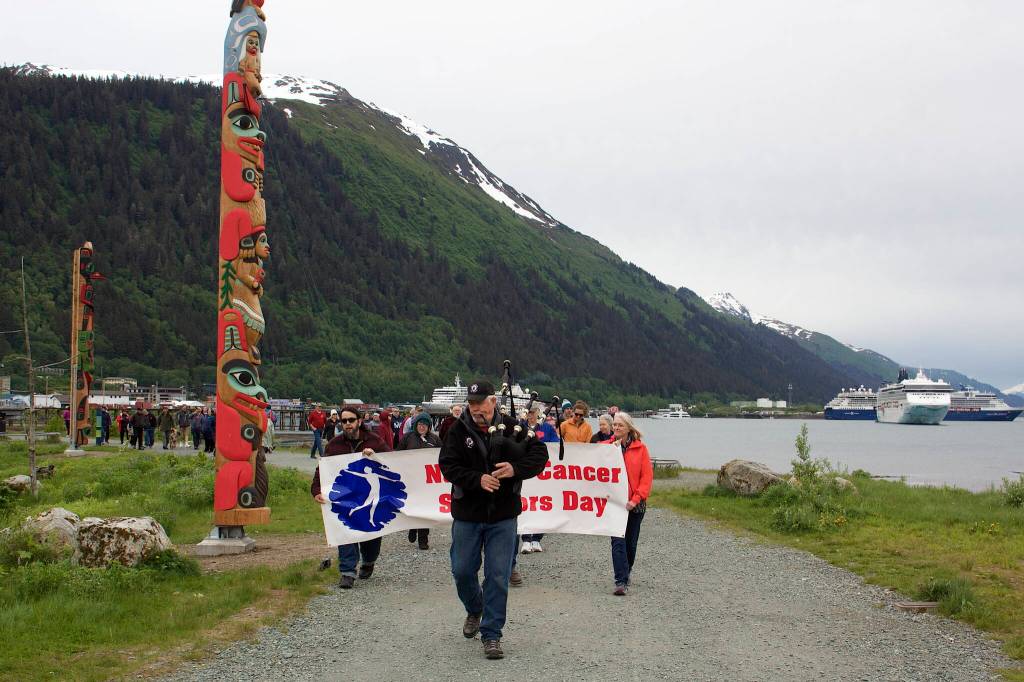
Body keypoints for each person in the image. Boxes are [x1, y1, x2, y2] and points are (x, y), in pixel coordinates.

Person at [439, 380, 548, 660]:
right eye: (471, 404)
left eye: (480, 404)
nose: (476, 409)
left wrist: (515, 469)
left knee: (498, 576)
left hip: (503, 516)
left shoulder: (514, 427)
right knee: (462, 570)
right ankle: (475, 608)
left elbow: (540, 454)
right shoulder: (457, 430)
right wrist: (476, 479)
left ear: (493, 402)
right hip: (467, 514)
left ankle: (492, 634)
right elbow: (448, 466)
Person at [311, 406, 391, 589]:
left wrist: (376, 456)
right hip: (345, 497)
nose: (347, 424)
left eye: (351, 420)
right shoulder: (334, 444)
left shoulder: (374, 441)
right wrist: (316, 489)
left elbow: (392, 462)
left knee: (371, 534)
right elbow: (322, 468)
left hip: (369, 496)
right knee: (345, 531)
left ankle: (369, 561)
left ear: (359, 421)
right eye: (344, 421)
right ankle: (347, 572)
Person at [609, 411, 653, 596]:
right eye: (615, 424)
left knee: (630, 543)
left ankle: (627, 570)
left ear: (629, 428)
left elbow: (646, 478)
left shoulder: (641, 449)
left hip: (635, 504)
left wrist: (635, 499)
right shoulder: (606, 447)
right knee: (617, 542)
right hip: (614, 504)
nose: (617, 428)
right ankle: (621, 580)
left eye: (620, 425)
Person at [399, 412, 441, 549]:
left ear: (429, 426)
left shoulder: (435, 439)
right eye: (420, 424)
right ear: (416, 424)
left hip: (427, 481)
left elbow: (443, 455)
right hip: (411, 480)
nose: (422, 427)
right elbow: (396, 455)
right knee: (413, 506)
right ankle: (413, 527)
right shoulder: (407, 438)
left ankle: (423, 539)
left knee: (425, 510)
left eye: (425, 424)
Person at [518, 406, 557, 554]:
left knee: (543, 504)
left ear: (538, 414)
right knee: (526, 503)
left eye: (533, 413)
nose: (530, 416)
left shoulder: (546, 427)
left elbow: (555, 444)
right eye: (528, 413)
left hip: (544, 472)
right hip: (526, 470)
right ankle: (526, 539)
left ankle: (537, 539)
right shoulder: (520, 427)